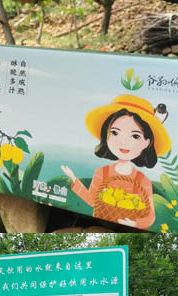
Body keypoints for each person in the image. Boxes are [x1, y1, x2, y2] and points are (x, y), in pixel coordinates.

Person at [61, 94, 171, 229]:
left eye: (135, 136)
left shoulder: (143, 180)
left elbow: (150, 216)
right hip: (98, 222)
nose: (123, 142)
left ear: (147, 143)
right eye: (115, 133)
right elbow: (91, 200)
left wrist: (135, 223)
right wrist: (74, 179)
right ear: (106, 136)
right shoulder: (102, 172)